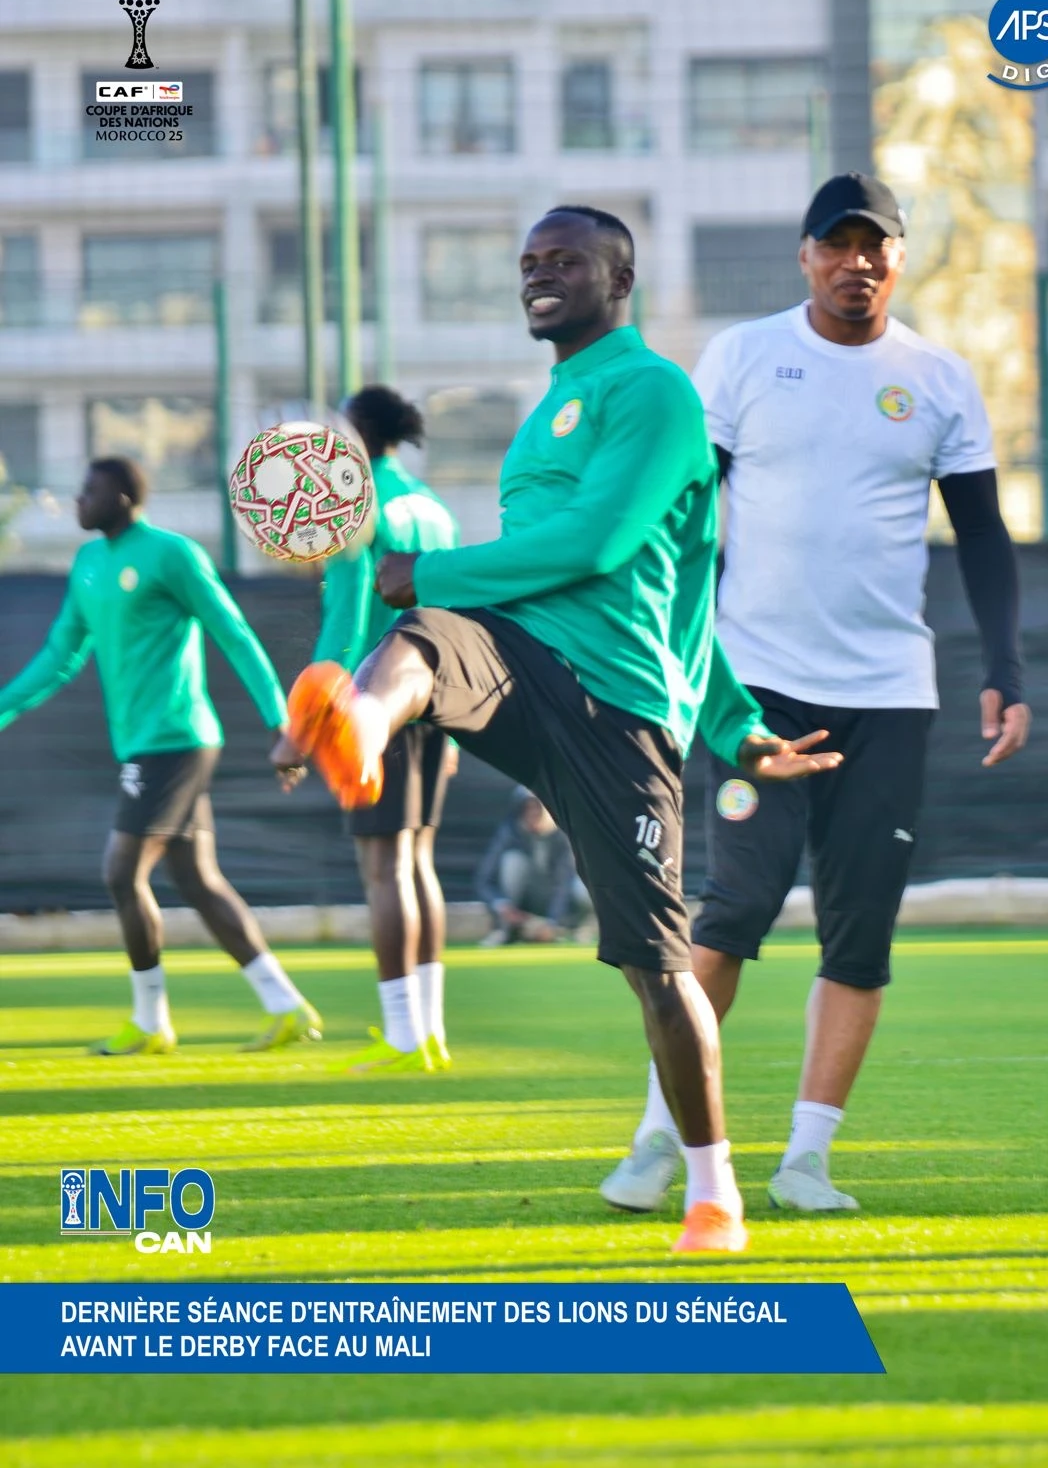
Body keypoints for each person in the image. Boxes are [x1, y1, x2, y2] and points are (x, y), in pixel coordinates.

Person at [281, 205, 842, 1253]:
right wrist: (430, 591)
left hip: (620, 716)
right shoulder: (550, 410)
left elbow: (615, 553)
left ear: (618, 277)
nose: (540, 273)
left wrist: (739, 728)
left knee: (656, 969)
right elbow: (546, 569)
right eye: (529, 261)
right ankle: (356, 721)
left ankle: (712, 1193)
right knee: (427, 635)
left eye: (565, 259)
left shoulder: (654, 392)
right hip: (527, 670)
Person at [601, 172, 1031, 1216]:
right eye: (836, 246)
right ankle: (666, 1136)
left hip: (890, 698)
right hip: (753, 691)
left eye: (874, 246)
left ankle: (805, 1160)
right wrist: (672, 653)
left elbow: (981, 532)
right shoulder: (745, 358)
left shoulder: (936, 378)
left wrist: (1005, 669)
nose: (857, 264)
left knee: (861, 937)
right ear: (805, 257)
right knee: (735, 908)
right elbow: (685, 522)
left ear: (896, 257)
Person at [0, 457, 320, 1055]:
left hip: (177, 738)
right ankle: (287, 1005)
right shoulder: (89, 564)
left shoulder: (172, 554)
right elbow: (59, 657)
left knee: (121, 873)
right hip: (145, 744)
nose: (78, 499)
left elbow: (233, 632)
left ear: (123, 496)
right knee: (198, 880)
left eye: (89, 490)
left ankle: (152, 1021)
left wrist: (283, 723)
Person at [274, 385, 459, 1073]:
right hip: (436, 696)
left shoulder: (357, 504)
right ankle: (431, 1032)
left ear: (355, 435)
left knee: (383, 869)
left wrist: (303, 729)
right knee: (418, 863)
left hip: (372, 709)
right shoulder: (433, 506)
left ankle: (403, 1037)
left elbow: (346, 626)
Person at [476, 786, 591, 946]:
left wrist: (552, 922)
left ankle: (571, 928)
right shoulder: (509, 833)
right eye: (527, 808)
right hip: (524, 906)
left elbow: (564, 883)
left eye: (538, 807)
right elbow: (484, 880)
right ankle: (507, 929)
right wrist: (502, 905)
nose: (533, 813)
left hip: (559, 906)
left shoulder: (562, 835)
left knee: (584, 888)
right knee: (512, 861)